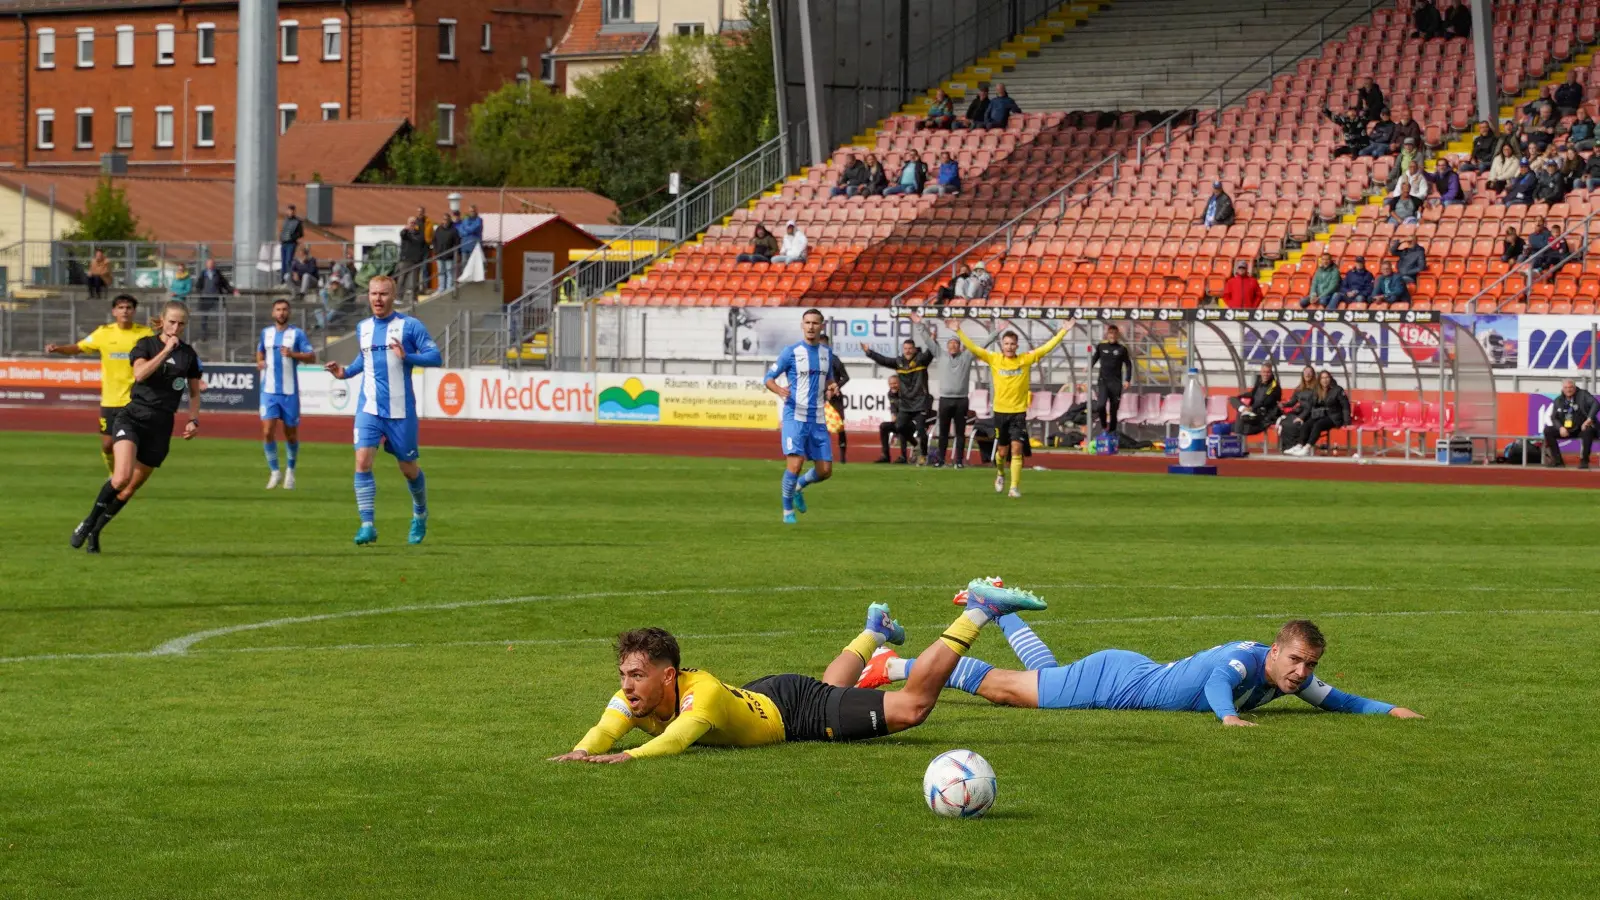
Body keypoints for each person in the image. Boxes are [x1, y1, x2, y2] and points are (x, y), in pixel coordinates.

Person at [549, 581, 1049, 763]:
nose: (626, 685)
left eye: (636, 675)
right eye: (624, 674)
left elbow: (677, 741)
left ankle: (977, 611)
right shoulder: (633, 698)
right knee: (832, 690)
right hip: (768, 695)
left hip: (792, 713)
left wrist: (628, 756)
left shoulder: (701, 695)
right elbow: (604, 729)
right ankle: (873, 632)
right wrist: (581, 752)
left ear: (667, 676)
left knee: (912, 708)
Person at [859, 612, 1422, 726]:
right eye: (1295, 660)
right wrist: (1228, 719)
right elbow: (1218, 681)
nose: (1301, 673)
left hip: (1123, 672)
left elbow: (1340, 700)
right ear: (1275, 651)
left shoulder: (1289, 677)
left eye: (1309, 665)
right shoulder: (1246, 662)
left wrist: (1391, 710)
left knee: (1046, 677)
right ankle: (894, 662)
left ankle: (1005, 614)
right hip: (1115, 684)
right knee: (1006, 691)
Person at [68, 301, 203, 554]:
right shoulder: (146, 345)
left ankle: (96, 531)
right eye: (172, 322)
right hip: (133, 416)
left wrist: (193, 419)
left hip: (161, 425)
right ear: (162, 320)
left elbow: (194, 391)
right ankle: (87, 522)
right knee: (121, 478)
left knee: (130, 488)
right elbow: (140, 374)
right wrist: (166, 351)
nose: (176, 327)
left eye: (181, 324)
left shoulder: (188, 354)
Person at [323, 274, 442, 545]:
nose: (378, 299)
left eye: (383, 294)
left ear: (393, 296)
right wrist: (344, 373)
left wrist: (408, 356)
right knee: (362, 462)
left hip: (401, 410)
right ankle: (367, 526)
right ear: (368, 296)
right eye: (374, 293)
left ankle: (420, 514)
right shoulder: (363, 327)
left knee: (408, 469)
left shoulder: (410, 326)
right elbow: (363, 359)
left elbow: (435, 357)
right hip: (369, 406)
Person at [44, 294, 155, 473]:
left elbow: (161, 353)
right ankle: (114, 474)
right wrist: (58, 349)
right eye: (121, 308)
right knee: (107, 445)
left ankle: (124, 477)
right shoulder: (104, 333)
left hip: (136, 399)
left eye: (128, 308)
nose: (125, 311)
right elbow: (78, 347)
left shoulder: (145, 334)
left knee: (132, 443)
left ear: (134, 311)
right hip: (111, 400)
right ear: (114, 311)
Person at [955, 322, 1068, 497]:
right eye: (1006, 343)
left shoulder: (1025, 359)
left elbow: (1046, 348)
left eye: (1012, 344)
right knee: (1002, 451)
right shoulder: (994, 359)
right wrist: (958, 331)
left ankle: (1014, 488)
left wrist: (1063, 331)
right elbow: (974, 348)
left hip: (1018, 413)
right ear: (1002, 345)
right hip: (1000, 412)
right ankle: (1000, 473)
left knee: (1016, 449)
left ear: (1017, 346)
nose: (1009, 347)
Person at [764, 309, 839, 523]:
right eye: (807, 322)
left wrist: (832, 386)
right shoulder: (790, 352)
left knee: (825, 471)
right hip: (794, 415)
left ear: (821, 326)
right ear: (802, 325)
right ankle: (788, 511)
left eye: (815, 323)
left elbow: (829, 379)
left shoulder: (826, 353)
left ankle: (798, 486)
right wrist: (779, 390)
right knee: (795, 464)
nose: (811, 327)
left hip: (817, 417)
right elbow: (768, 378)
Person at [914, 312, 994, 468]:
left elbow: (983, 345)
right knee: (943, 433)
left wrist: (996, 333)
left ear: (960, 346)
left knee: (960, 433)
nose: (953, 346)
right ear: (947, 346)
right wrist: (919, 324)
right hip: (945, 400)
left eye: (955, 344)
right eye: (950, 343)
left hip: (961, 400)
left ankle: (958, 461)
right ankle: (940, 460)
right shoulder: (940, 355)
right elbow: (928, 340)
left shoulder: (967, 356)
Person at [256, 298, 316, 490]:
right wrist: (259, 362)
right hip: (269, 391)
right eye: (278, 309)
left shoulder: (297, 334)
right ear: (273, 313)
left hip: (289, 392)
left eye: (284, 309)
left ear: (289, 313)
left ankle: (290, 470)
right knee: (267, 431)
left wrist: (293, 354)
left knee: (290, 435)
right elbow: (260, 352)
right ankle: (275, 471)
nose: (281, 312)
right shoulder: (266, 333)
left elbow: (312, 357)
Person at [862, 334, 934, 466]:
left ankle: (923, 455)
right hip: (906, 404)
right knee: (899, 427)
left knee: (921, 430)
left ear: (914, 349)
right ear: (903, 349)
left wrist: (932, 340)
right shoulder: (899, 362)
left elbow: (931, 352)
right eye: (905, 348)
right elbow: (883, 360)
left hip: (920, 403)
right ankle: (915, 444)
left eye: (910, 348)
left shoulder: (922, 360)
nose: (908, 351)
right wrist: (869, 352)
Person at [1286, 369, 1350, 456]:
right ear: (1319, 380)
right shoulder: (1317, 390)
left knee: (1318, 425)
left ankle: (1307, 448)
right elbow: (1311, 405)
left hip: (1334, 417)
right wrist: (1302, 417)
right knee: (1307, 424)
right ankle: (1299, 445)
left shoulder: (1337, 390)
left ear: (1330, 378)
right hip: (1321, 415)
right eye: (1322, 378)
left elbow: (1345, 405)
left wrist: (1347, 421)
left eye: (1327, 377)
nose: (1325, 380)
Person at [1542, 380, 1598, 469]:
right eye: (1566, 388)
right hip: (1566, 429)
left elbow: (1596, 404)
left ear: (1574, 388)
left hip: (1581, 428)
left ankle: (1584, 461)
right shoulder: (1558, 400)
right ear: (1563, 389)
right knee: (1548, 430)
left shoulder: (1583, 394)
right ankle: (1558, 461)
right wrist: (1560, 427)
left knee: (1588, 430)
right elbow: (1554, 417)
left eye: (1570, 387)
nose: (1568, 390)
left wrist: (1588, 420)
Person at [1090, 325, 1134, 437]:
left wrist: (1127, 380)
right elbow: (1094, 358)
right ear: (1107, 334)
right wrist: (1089, 366)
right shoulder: (1101, 346)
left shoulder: (1122, 349)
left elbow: (1128, 365)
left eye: (1115, 333)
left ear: (1117, 335)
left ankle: (1112, 431)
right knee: (1101, 405)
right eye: (1110, 333)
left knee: (1114, 410)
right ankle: (1104, 425)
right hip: (1103, 382)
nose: (1112, 335)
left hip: (1116, 383)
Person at [818, 334, 851, 463]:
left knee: (840, 426)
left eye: (824, 345)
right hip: (820, 398)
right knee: (821, 427)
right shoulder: (813, 359)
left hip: (835, 398)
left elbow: (846, 377)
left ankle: (843, 457)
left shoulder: (834, 359)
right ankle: (823, 455)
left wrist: (835, 387)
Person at [1275, 366, 1318, 452]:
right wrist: (1283, 404)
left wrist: (1301, 417)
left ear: (1313, 375)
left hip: (1311, 413)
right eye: (1306, 372)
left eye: (1310, 372)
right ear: (1303, 374)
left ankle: (1296, 445)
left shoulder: (1317, 388)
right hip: (1300, 411)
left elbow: (1311, 405)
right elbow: (1292, 402)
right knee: (1286, 422)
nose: (1307, 374)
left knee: (1295, 423)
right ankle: (1288, 447)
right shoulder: (1299, 388)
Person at [1231, 363, 1280, 437]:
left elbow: (1265, 400)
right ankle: (1243, 409)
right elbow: (1253, 393)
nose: (1266, 374)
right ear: (1261, 372)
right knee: (1232, 399)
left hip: (1263, 414)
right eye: (1264, 372)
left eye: (1268, 372)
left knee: (1240, 418)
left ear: (1271, 373)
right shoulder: (1259, 380)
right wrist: (1240, 396)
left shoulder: (1273, 385)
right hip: (1252, 411)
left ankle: (1237, 438)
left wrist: (1251, 408)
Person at [192, 258, 233, 341]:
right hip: (205, 299)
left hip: (217, 299)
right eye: (209, 264)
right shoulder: (203, 274)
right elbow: (198, 285)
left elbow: (225, 284)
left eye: (212, 264)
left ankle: (220, 336)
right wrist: (200, 292)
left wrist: (232, 291)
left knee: (220, 317)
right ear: (206, 265)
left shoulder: (218, 273)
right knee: (204, 318)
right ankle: (203, 335)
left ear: (214, 265)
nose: (211, 265)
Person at [876, 375, 909, 463]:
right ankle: (885, 456)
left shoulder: (906, 393)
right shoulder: (890, 394)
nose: (892, 386)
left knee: (902, 425)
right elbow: (893, 409)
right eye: (890, 384)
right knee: (883, 426)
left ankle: (903, 456)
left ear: (900, 383)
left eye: (895, 383)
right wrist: (893, 415)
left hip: (910, 422)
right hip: (899, 421)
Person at [1387, 159, 1427, 224]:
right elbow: (1397, 190)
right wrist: (1400, 196)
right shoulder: (1402, 177)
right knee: (1387, 201)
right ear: (1408, 167)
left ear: (1417, 168)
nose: (1412, 168)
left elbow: (1423, 193)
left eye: (1414, 166)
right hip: (1399, 203)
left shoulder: (1421, 178)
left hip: (1414, 200)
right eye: (1411, 166)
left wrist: (1412, 196)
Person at [397, 217, 428, 301]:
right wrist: (406, 229)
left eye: (414, 223)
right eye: (411, 223)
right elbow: (402, 234)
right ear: (408, 223)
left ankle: (414, 299)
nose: (412, 224)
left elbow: (423, 245)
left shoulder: (420, 234)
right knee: (402, 279)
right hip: (405, 259)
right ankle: (399, 297)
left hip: (416, 260)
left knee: (415, 281)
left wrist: (421, 257)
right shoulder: (405, 233)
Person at [431, 213, 460, 292]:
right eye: (444, 219)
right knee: (441, 273)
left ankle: (448, 290)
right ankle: (441, 289)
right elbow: (434, 240)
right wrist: (435, 251)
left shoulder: (454, 230)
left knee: (449, 273)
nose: (445, 221)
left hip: (449, 256)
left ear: (449, 220)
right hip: (439, 255)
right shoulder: (438, 229)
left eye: (447, 220)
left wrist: (456, 253)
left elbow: (457, 243)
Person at [279, 205, 305, 285]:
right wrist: (281, 238)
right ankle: (283, 279)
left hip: (291, 244)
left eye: (292, 211)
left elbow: (301, 234)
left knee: (288, 261)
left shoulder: (297, 222)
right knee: (283, 262)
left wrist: (292, 237)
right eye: (289, 210)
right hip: (284, 243)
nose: (290, 212)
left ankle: (288, 279)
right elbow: (283, 231)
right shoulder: (285, 220)